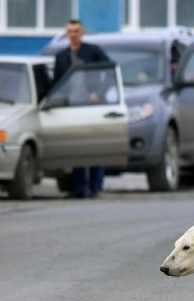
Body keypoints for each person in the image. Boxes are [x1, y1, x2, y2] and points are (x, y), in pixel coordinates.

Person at [53, 19, 110, 199]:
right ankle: (78, 188)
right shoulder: (61, 56)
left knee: (95, 147)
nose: (73, 34)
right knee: (76, 148)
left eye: (76, 31)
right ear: (66, 33)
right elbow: (57, 83)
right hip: (71, 107)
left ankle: (95, 186)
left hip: (92, 106)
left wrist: (98, 93)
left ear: (82, 32)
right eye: (70, 31)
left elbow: (109, 71)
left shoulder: (93, 51)